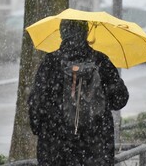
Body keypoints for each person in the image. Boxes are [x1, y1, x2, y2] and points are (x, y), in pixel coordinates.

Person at [28, 19, 129, 166]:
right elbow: (120, 99)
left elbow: (35, 103)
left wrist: (42, 130)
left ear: (62, 33)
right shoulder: (101, 61)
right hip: (96, 147)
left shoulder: (51, 62)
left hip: (55, 148)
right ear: (86, 32)